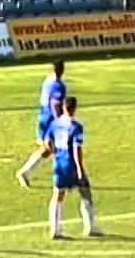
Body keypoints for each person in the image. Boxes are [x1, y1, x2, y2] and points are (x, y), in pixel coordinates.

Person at [43, 96, 102, 239]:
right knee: (86, 193)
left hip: (59, 165)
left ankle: (55, 230)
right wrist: (80, 168)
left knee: (58, 196)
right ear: (74, 109)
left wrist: (54, 152)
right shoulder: (76, 127)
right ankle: (90, 227)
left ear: (64, 107)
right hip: (72, 166)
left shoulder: (54, 124)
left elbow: (46, 141)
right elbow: (77, 149)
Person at [16, 60, 67, 188]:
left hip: (43, 116)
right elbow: (55, 104)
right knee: (58, 148)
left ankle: (25, 172)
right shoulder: (58, 85)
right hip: (51, 120)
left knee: (47, 149)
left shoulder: (48, 80)